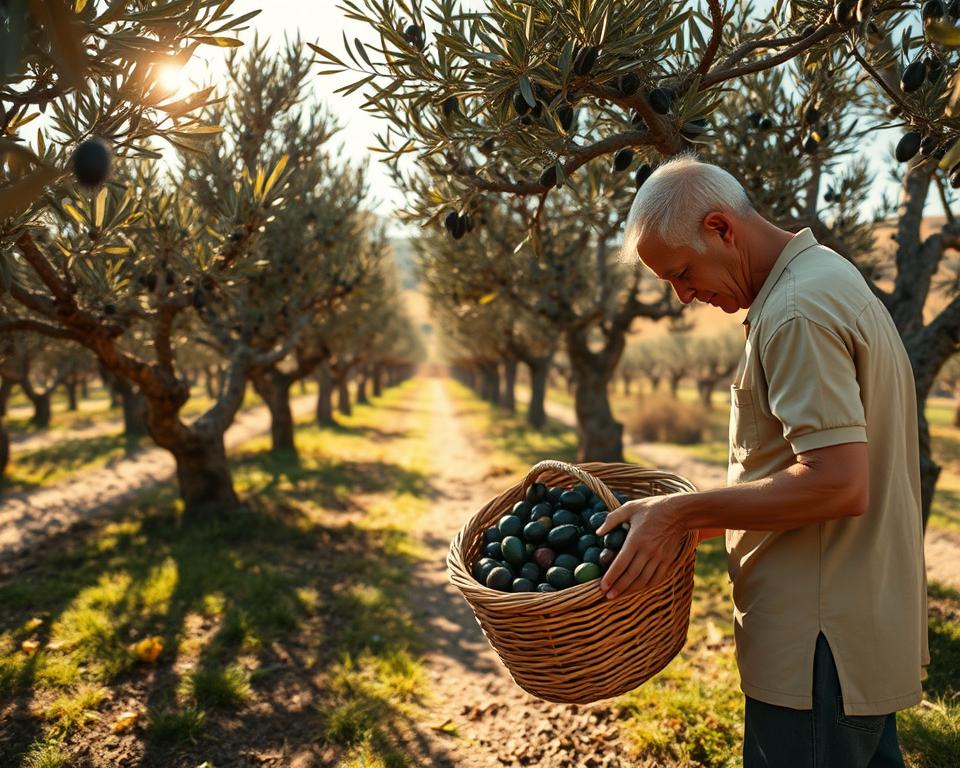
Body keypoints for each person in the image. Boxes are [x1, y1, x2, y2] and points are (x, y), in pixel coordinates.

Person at [597, 154, 928, 767]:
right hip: (851, 632)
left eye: (684, 272)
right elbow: (804, 470)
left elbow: (836, 485)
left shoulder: (795, 312)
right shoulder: (824, 274)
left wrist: (678, 514)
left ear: (722, 228)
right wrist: (684, 517)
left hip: (818, 650)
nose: (683, 296)